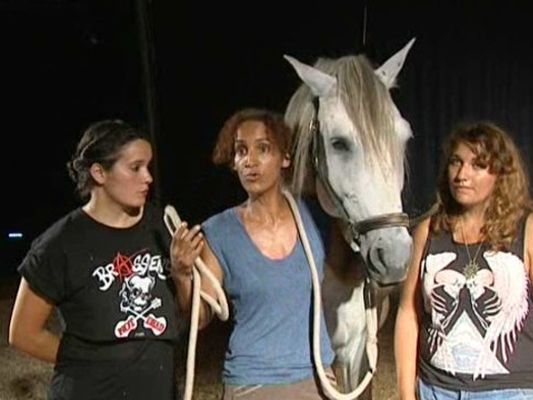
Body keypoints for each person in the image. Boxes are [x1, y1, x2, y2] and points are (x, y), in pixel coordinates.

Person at [8, 119, 198, 399]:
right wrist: (91, 362)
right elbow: (23, 333)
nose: (148, 177)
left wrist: (183, 273)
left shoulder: (161, 226)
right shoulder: (59, 244)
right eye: (135, 168)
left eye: (148, 166)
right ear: (99, 173)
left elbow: (191, 315)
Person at [394, 121, 533, 400]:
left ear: (500, 174)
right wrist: (407, 393)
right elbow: (409, 313)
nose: (462, 174)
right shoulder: (428, 232)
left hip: (511, 392)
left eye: (477, 165)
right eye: (456, 162)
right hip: (436, 390)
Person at [170, 108, 335, 400]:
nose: (250, 161)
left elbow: (347, 275)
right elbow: (201, 316)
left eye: (263, 149)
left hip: (317, 379)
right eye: (241, 151)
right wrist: (182, 275)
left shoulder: (313, 217)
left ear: (285, 157)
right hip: (253, 383)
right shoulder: (219, 231)